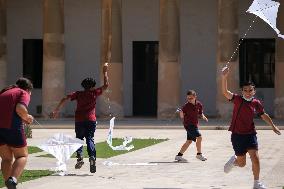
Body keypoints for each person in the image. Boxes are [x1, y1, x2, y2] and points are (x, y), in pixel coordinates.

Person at [221, 66, 281, 189]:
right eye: (245, 90)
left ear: (254, 91)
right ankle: (235, 161)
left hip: (250, 134)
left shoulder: (256, 103)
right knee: (242, 164)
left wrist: (273, 126)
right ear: (242, 91)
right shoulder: (237, 99)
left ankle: (256, 183)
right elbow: (225, 92)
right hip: (237, 135)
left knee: (255, 157)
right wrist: (224, 77)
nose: (248, 92)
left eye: (250, 90)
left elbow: (263, 115)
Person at [50, 63, 109, 173]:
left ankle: (80, 158)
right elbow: (106, 85)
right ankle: (92, 157)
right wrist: (105, 71)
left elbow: (64, 98)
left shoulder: (78, 94)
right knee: (90, 139)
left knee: (79, 139)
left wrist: (56, 110)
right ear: (92, 86)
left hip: (80, 120)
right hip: (91, 120)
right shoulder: (94, 93)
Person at [0, 78, 34, 189]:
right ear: (28, 89)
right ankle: (13, 180)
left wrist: (22, 118)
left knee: (6, 159)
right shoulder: (23, 92)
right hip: (13, 128)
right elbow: (20, 108)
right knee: (22, 156)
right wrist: (27, 117)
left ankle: (9, 184)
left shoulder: (5, 92)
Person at [175, 90, 208, 162]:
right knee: (199, 137)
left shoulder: (199, 104)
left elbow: (200, 113)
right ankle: (199, 154)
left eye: (191, 98)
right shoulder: (185, 106)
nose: (189, 100)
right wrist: (181, 112)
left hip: (195, 125)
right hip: (188, 125)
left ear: (195, 97)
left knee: (189, 141)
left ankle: (179, 156)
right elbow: (181, 117)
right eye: (188, 98)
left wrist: (203, 116)